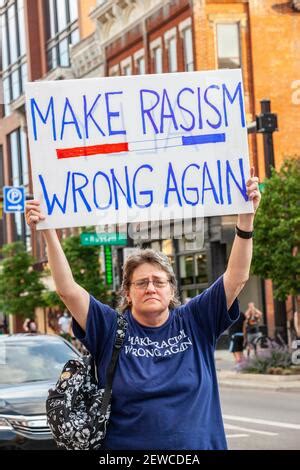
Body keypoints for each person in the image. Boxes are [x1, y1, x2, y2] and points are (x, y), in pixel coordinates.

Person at [25, 168, 261, 450]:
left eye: (159, 282)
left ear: (172, 289)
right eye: (142, 283)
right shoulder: (111, 328)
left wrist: (246, 219)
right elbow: (67, 289)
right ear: (127, 292)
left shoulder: (195, 320)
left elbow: (236, 277)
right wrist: (48, 230)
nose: (151, 288)